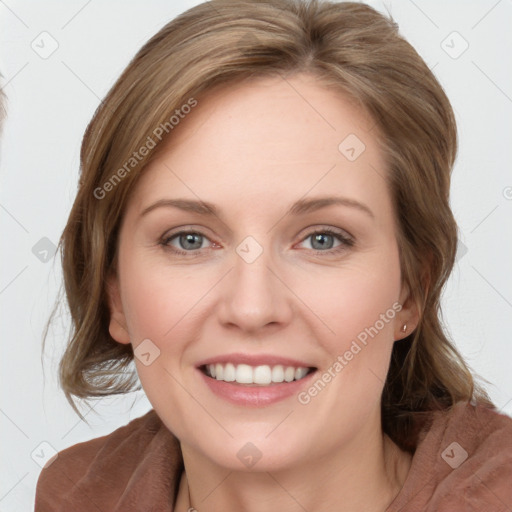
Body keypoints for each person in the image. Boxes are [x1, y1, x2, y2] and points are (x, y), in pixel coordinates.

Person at [34, 0, 512, 511]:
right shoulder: (76, 496)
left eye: (323, 239)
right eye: (189, 239)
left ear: (411, 289)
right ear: (116, 295)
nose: (252, 308)